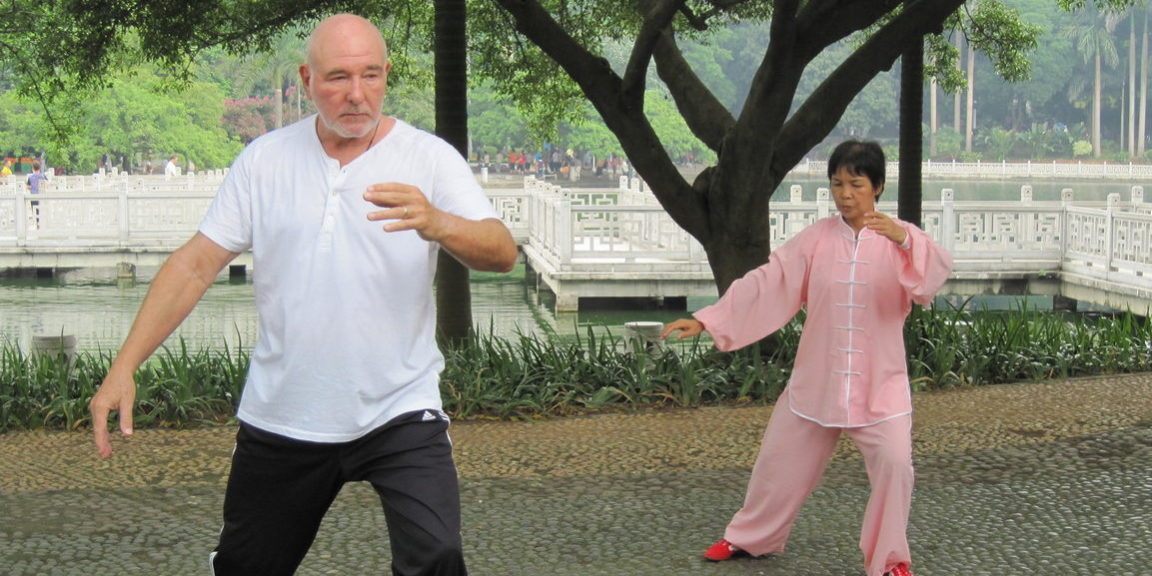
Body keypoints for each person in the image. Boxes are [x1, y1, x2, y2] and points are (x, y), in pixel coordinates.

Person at [89, 13, 518, 576]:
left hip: (399, 409)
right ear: (306, 79)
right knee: (248, 567)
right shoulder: (265, 160)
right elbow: (195, 265)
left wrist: (439, 222)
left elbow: (501, 250)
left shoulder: (429, 159)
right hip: (286, 414)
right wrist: (125, 365)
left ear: (388, 74)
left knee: (437, 556)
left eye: (371, 75)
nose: (357, 95)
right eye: (338, 77)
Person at [662, 140, 952, 576]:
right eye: (837, 184)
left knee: (896, 466)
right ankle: (750, 538)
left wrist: (906, 237)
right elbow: (768, 282)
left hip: (880, 389)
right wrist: (707, 321)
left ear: (878, 187)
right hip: (817, 384)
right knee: (776, 464)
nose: (845, 194)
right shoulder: (816, 241)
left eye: (856, 184)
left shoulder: (902, 242)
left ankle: (890, 559)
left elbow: (932, 276)